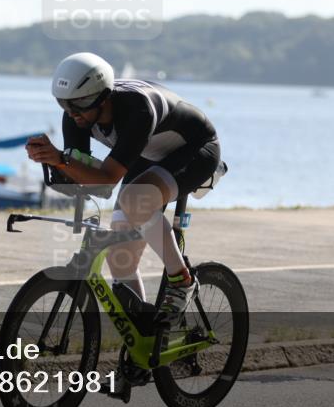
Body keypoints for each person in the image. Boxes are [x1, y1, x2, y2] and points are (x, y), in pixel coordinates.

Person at [26, 52, 222, 324]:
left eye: (81, 103)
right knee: (121, 261)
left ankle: (182, 280)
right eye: (64, 104)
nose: (73, 113)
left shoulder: (136, 108)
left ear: (103, 95)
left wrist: (61, 159)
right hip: (147, 156)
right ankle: (141, 347)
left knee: (135, 199)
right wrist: (52, 163)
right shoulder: (75, 116)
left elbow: (106, 178)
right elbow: (85, 180)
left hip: (195, 149)